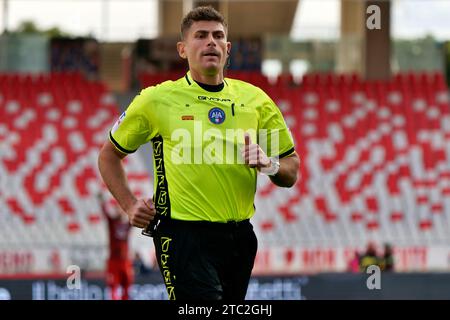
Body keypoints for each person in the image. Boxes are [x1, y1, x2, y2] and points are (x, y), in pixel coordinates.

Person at [98, 6, 299, 301]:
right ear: (182, 48)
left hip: (239, 239)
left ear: (227, 48)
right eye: (201, 36)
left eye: (218, 36)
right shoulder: (157, 100)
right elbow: (108, 156)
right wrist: (128, 205)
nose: (211, 42)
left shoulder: (256, 101)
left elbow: (291, 170)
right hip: (183, 236)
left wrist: (268, 165)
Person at [97, 192, 134, 300]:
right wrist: (102, 202)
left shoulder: (127, 225)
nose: (119, 211)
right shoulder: (112, 223)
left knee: (126, 288)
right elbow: (105, 213)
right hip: (113, 261)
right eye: (117, 208)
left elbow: (135, 220)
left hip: (125, 261)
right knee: (113, 288)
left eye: (121, 209)